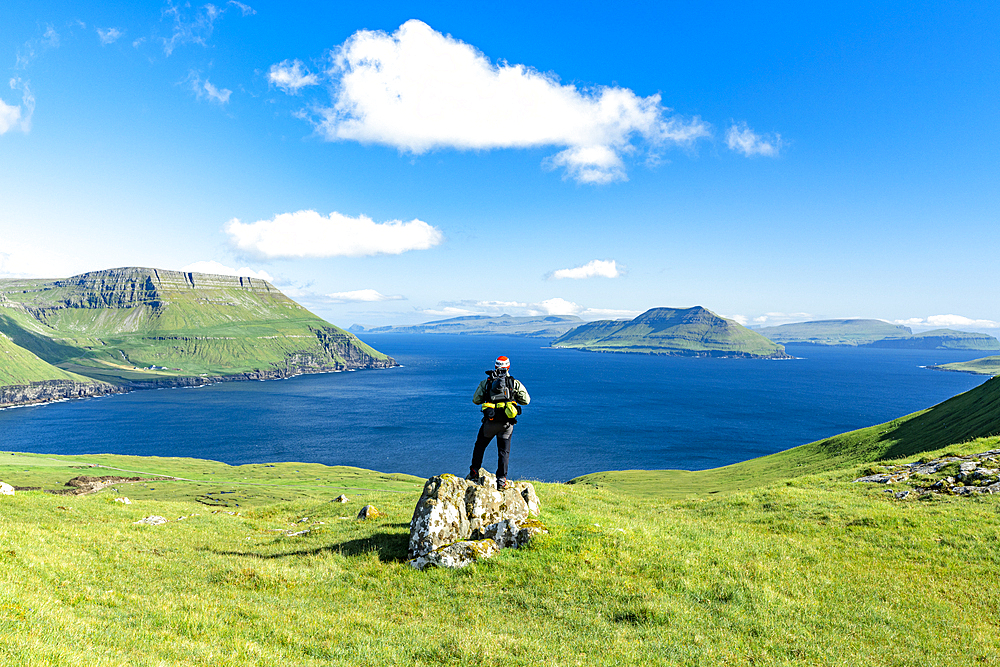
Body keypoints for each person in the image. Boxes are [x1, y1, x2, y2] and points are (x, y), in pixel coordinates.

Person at [468, 355, 530, 490]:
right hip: (506, 424)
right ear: (508, 367)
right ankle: (501, 480)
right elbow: (526, 400)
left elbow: (476, 400)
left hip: (489, 422)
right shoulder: (514, 383)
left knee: (480, 446)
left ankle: (474, 472)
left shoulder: (487, 382)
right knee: (503, 452)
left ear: (495, 366)